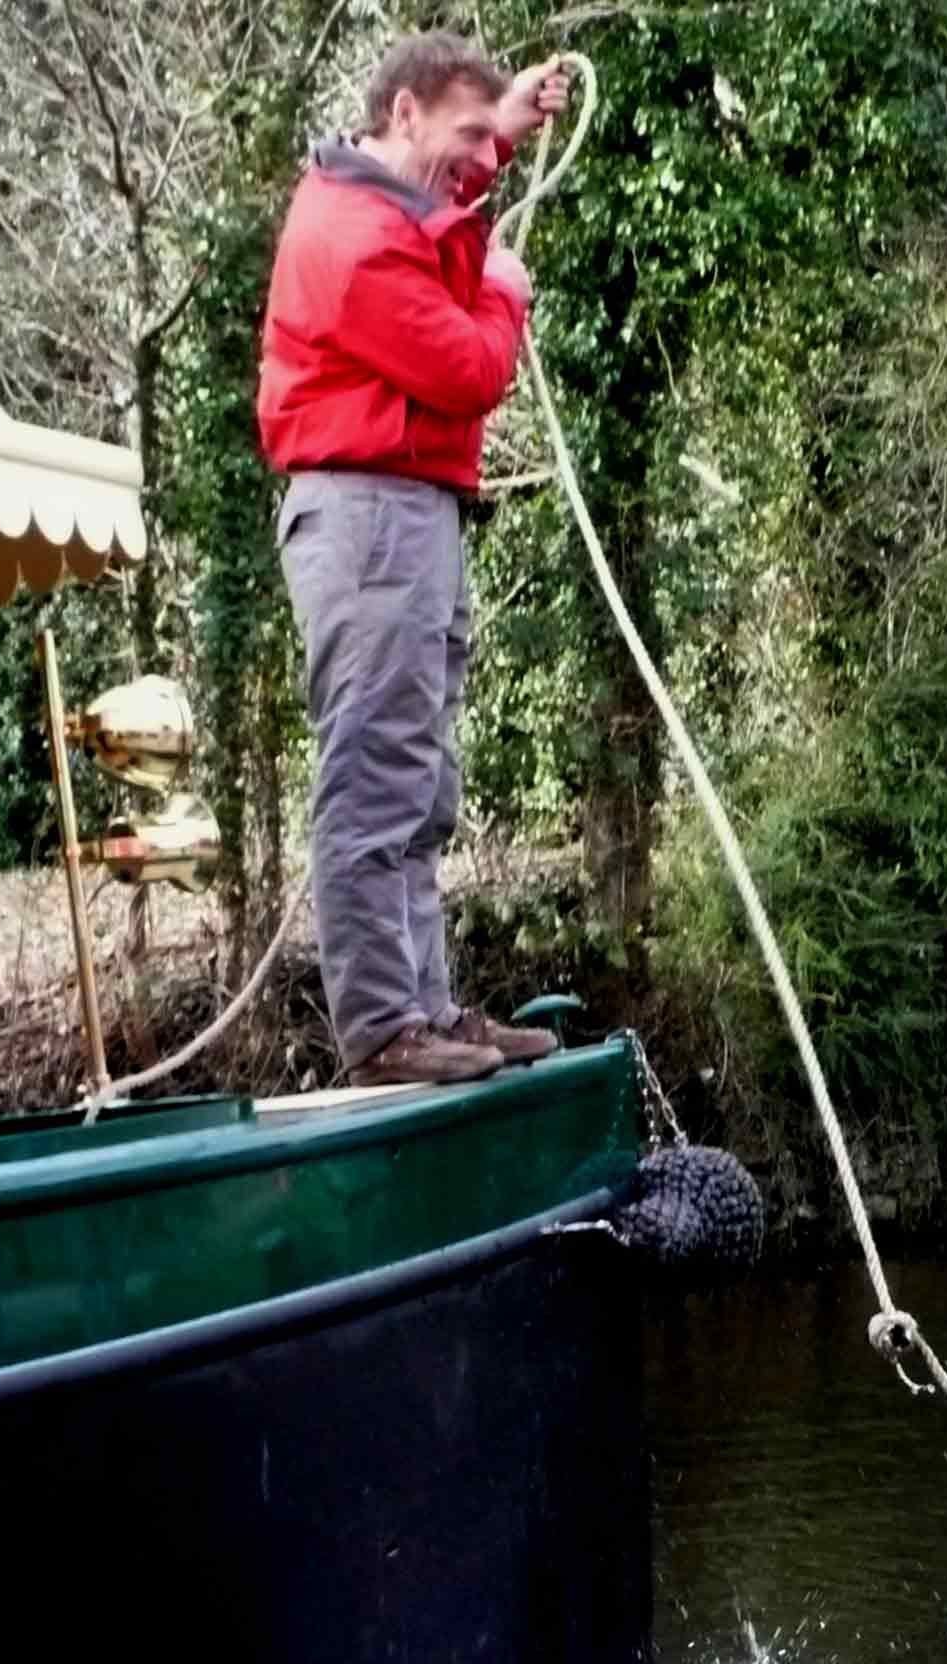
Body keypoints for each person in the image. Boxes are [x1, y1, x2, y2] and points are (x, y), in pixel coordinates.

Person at [259, 33, 578, 1086]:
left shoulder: (387, 204)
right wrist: (508, 290)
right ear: (401, 114)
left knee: (419, 776)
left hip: (408, 511)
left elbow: (444, 212)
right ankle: (383, 1030)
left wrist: (505, 127)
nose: (478, 160)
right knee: (374, 775)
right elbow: (466, 365)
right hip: (367, 514)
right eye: (464, 136)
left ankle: (426, 1010)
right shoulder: (350, 234)